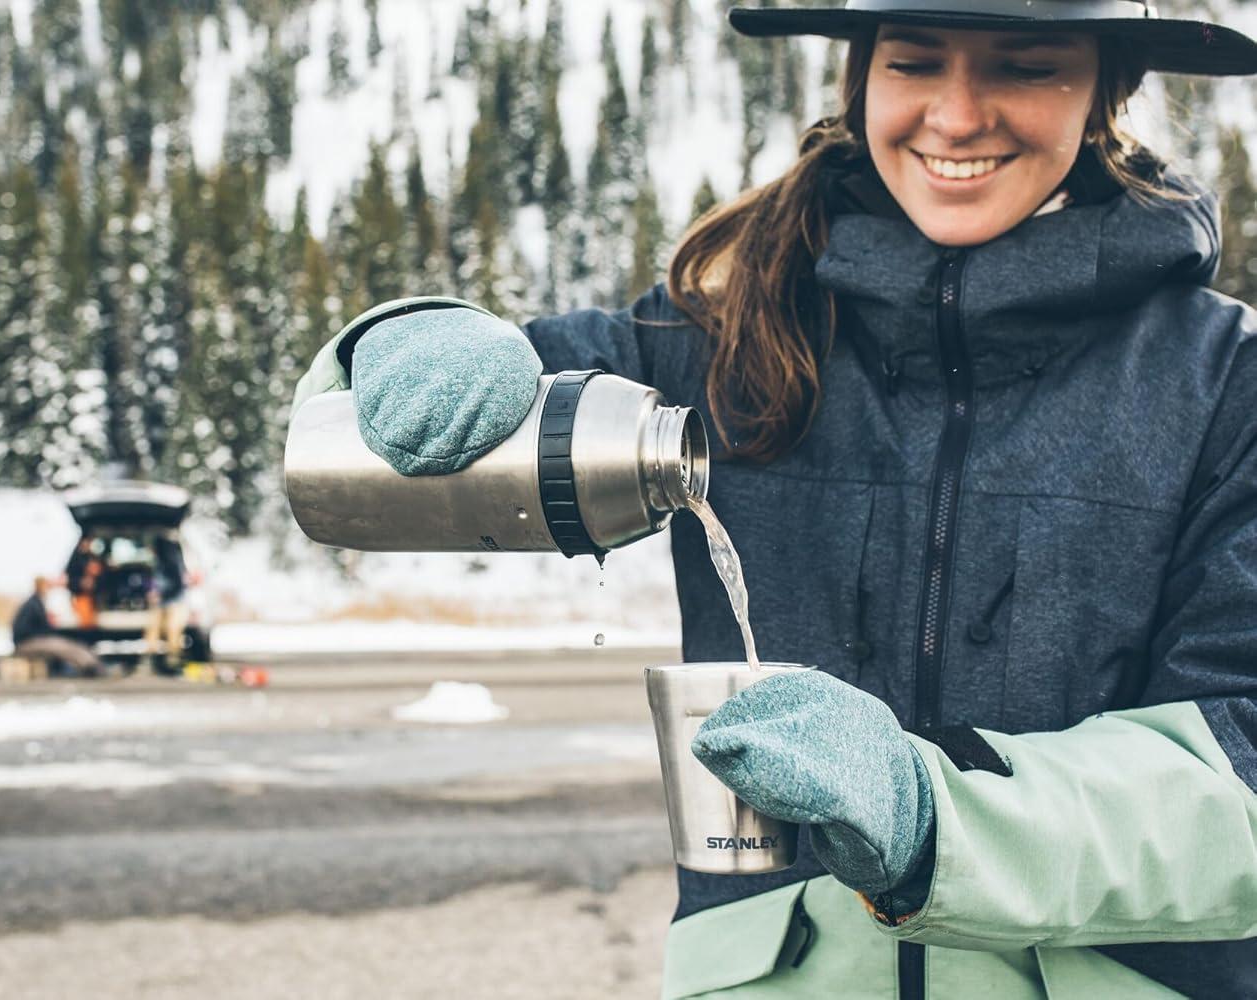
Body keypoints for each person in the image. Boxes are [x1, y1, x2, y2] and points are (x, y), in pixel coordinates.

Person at [291, 1, 1257, 996]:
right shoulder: (716, 342)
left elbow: (1244, 772)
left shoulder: (1227, 389)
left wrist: (932, 812)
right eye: (915, 62)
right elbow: (460, 397)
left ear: (1106, 91)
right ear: (861, 81)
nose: (957, 115)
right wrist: (398, 341)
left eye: (1026, 67)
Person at [10, 576, 102, 677]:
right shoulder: (32, 604)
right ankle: (89, 665)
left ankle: (90, 664)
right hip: (25, 643)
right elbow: (23, 630)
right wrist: (47, 628)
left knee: (64, 644)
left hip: (31, 640)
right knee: (59, 645)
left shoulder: (36, 602)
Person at [140, 534, 190, 674]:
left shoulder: (171, 561)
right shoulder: (159, 562)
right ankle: (153, 660)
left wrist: (160, 594)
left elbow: (177, 584)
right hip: (162, 602)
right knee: (153, 630)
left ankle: (173, 662)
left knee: (173, 632)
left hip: (174, 601)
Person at [65, 536, 103, 629]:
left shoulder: (90, 557)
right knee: (85, 625)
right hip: (81, 598)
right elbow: (70, 580)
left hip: (92, 599)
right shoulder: (75, 560)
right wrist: (81, 583)